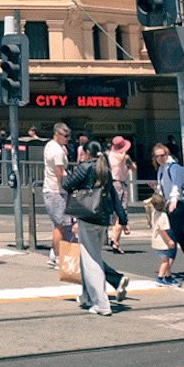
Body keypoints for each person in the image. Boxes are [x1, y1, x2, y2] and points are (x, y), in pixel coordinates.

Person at [62, 140, 127, 315]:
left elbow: (66, 184)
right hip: (103, 219)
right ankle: (87, 296)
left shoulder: (85, 167)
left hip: (87, 216)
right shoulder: (105, 169)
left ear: (87, 153)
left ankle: (101, 303)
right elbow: (113, 195)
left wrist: (72, 172)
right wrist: (123, 217)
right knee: (88, 258)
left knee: (92, 261)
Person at [153, 142, 184, 280]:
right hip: (169, 205)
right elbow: (162, 188)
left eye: (162, 155)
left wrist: (174, 201)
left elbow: (176, 186)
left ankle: (165, 272)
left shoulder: (173, 167)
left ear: (167, 154)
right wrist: (155, 189)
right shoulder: (161, 169)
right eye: (157, 156)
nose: (159, 158)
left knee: (172, 239)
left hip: (177, 206)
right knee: (179, 237)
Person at [42, 122, 73, 269]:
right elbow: (60, 173)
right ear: (57, 134)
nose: (67, 138)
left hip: (51, 189)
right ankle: (58, 258)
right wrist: (70, 186)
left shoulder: (50, 146)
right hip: (57, 191)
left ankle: (54, 256)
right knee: (60, 226)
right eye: (65, 136)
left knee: (59, 225)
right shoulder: (58, 152)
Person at [106, 136, 136, 253]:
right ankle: (115, 241)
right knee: (120, 212)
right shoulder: (114, 156)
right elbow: (119, 160)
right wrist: (124, 155)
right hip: (117, 183)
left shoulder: (117, 157)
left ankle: (115, 237)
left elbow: (133, 169)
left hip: (116, 183)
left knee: (116, 215)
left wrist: (128, 161)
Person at [145, 190, 177, 285]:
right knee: (165, 262)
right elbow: (162, 230)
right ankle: (160, 278)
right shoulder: (163, 216)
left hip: (156, 241)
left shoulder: (154, 213)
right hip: (162, 242)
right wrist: (169, 241)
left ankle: (168, 277)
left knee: (165, 260)